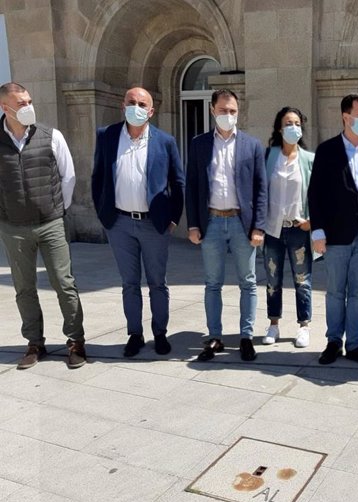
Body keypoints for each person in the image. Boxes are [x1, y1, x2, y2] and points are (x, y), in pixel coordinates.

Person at [92, 87, 184, 358]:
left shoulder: (165, 141)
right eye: (131, 102)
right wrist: (103, 214)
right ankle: (135, 334)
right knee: (129, 283)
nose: (136, 107)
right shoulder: (106, 136)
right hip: (119, 223)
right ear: (123, 105)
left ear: (151, 111)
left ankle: (160, 333)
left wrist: (173, 219)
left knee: (157, 282)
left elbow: (178, 183)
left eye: (142, 104)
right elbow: (98, 178)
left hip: (153, 224)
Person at [0, 82, 87, 369]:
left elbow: (68, 176)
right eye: (21, 103)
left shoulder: (52, 136)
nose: (28, 107)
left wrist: (55, 210)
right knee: (24, 288)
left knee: (65, 284)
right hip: (14, 228)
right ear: (5, 107)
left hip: (51, 223)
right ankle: (35, 343)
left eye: (29, 100)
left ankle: (75, 342)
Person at [307, 93, 358, 367]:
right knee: (335, 292)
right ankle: (333, 342)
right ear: (346, 117)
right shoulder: (327, 150)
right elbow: (315, 193)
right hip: (335, 234)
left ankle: (355, 344)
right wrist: (317, 231)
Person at [186, 89, 267, 362]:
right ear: (212, 111)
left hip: (241, 224)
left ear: (238, 112)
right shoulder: (198, 144)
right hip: (210, 222)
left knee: (248, 282)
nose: (228, 115)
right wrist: (193, 224)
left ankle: (246, 337)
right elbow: (193, 186)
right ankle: (215, 337)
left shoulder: (251, 145)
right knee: (212, 283)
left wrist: (259, 226)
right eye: (223, 110)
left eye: (232, 111)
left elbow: (261, 188)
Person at [261, 107, 315, 348]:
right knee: (273, 279)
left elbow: (317, 195)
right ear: (279, 128)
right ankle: (273, 324)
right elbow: (259, 191)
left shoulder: (309, 159)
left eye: (297, 123)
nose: (293, 127)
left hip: (298, 229)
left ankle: (304, 326)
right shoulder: (268, 156)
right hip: (273, 230)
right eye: (288, 123)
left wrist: (312, 221)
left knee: (302, 280)